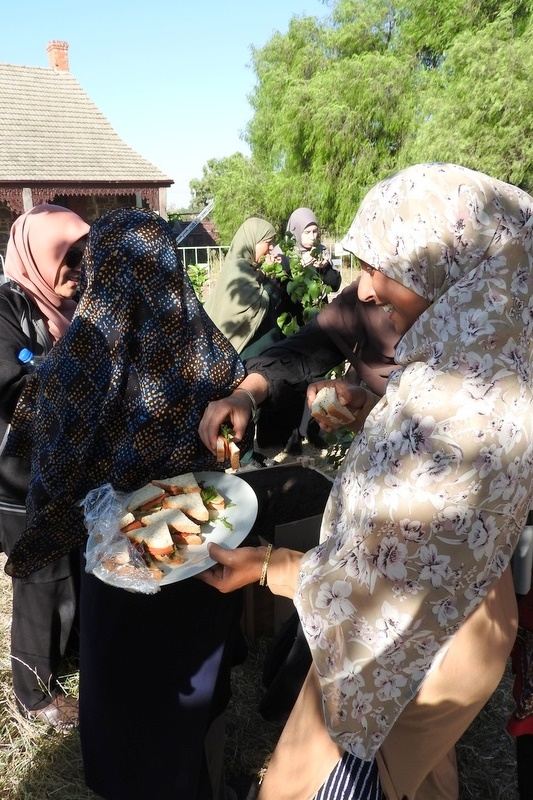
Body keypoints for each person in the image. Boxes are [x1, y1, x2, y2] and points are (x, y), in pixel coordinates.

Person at [198, 162, 533, 799]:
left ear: (449, 263)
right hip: (458, 629)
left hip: (400, 654)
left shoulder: (466, 409)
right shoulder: (491, 362)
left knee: (334, 774)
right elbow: (307, 348)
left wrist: (265, 566)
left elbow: (377, 585)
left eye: (386, 266)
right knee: (421, 773)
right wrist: (375, 411)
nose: (368, 288)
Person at [4, 207, 253, 800]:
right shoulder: (209, 349)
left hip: (123, 567)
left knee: (129, 698)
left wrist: (46, 531)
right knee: (194, 686)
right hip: (206, 547)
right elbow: (239, 430)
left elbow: (53, 471)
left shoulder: (79, 362)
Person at [0, 203, 89, 729]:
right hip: (16, 476)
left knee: (70, 562)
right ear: (37, 255)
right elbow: (11, 381)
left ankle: (65, 653)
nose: (78, 268)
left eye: (82, 255)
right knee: (40, 575)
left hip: (61, 469)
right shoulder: (7, 307)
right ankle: (32, 697)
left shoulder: (68, 305)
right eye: (67, 256)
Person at [204, 216, 280, 360]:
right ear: (252, 242)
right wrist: (271, 282)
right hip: (244, 358)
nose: (271, 247)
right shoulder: (238, 270)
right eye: (268, 242)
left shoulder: (249, 269)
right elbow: (257, 305)